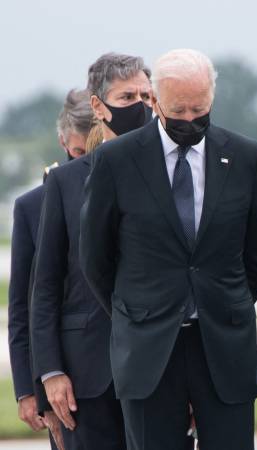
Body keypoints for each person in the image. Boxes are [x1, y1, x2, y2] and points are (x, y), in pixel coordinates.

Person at [79, 48, 257, 450]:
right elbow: (96, 258)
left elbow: (256, 254)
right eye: (178, 109)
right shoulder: (116, 161)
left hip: (223, 344)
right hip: (148, 348)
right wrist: (135, 312)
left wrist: (222, 302)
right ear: (155, 100)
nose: (189, 119)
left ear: (212, 100)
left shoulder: (245, 158)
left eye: (199, 109)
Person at [30, 54, 153, 450]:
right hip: (85, 375)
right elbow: (45, 285)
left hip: (157, 368)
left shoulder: (171, 174)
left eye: (147, 96)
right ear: (99, 106)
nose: (140, 105)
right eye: (128, 95)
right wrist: (49, 372)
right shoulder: (65, 182)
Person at [9, 88, 94, 450]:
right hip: (64, 373)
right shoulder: (33, 206)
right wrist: (29, 389)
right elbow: (24, 304)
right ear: (62, 141)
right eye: (77, 153)